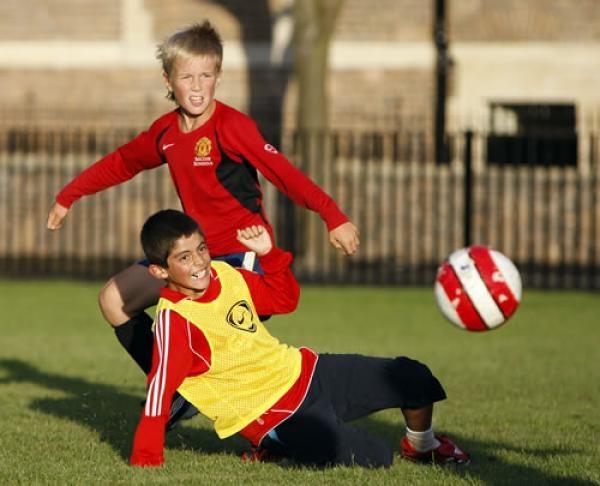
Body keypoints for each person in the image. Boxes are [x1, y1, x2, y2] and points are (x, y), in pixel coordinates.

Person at [45, 21, 360, 416]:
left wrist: (334, 216)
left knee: (226, 355)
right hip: (193, 257)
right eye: (187, 76)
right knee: (114, 299)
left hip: (241, 260)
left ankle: (276, 428)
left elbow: (285, 174)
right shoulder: (166, 132)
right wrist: (68, 196)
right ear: (168, 80)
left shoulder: (233, 127)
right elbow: (123, 161)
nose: (197, 86)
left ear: (218, 77)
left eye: (206, 75)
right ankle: (180, 390)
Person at [129, 209, 469, 468]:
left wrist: (269, 255)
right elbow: (160, 389)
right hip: (273, 414)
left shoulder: (226, 274)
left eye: (201, 248)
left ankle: (422, 446)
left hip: (306, 371)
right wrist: (146, 459)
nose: (200, 261)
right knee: (376, 457)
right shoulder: (176, 321)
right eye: (184, 257)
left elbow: (284, 301)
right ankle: (273, 444)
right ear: (159, 271)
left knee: (412, 376)